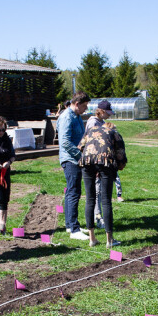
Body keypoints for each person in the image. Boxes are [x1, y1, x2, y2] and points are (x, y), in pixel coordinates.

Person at [78, 121, 127, 248]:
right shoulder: (115, 134)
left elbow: (81, 147)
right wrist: (118, 167)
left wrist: (93, 163)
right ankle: (109, 241)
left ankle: (92, 239)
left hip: (86, 161)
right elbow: (121, 156)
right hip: (105, 162)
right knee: (106, 201)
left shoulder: (91, 130)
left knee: (90, 200)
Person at [58, 91, 91, 240]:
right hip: (71, 160)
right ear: (76, 104)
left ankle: (69, 224)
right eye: (84, 106)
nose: (86, 109)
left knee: (72, 191)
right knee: (74, 192)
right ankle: (74, 230)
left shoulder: (77, 116)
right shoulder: (66, 117)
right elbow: (64, 141)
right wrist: (80, 156)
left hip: (76, 159)